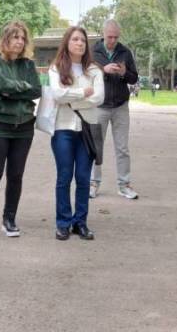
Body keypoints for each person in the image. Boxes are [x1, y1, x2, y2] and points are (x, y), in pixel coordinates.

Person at [0, 20, 41, 240]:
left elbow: (36, 90)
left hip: (23, 128)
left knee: (16, 175)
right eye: (15, 37)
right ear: (6, 39)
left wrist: (14, 91)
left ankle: (9, 219)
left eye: (23, 38)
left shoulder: (28, 66)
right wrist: (21, 87)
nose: (20, 42)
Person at [49, 26, 104, 241]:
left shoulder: (94, 70)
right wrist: (82, 92)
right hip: (62, 129)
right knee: (64, 177)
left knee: (83, 178)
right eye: (75, 39)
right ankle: (63, 223)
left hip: (87, 129)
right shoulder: (57, 68)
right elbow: (56, 94)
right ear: (67, 42)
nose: (79, 43)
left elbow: (99, 97)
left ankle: (80, 222)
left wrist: (70, 97)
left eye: (82, 40)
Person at [89, 19, 139, 200]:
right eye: (109, 37)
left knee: (122, 148)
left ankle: (124, 185)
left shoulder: (125, 52)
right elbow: (86, 76)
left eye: (116, 37)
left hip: (120, 106)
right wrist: (104, 70)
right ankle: (93, 183)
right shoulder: (93, 51)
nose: (112, 40)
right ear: (103, 34)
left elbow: (134, 79)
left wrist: (124, 72)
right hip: (99, 106)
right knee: (95, 147)